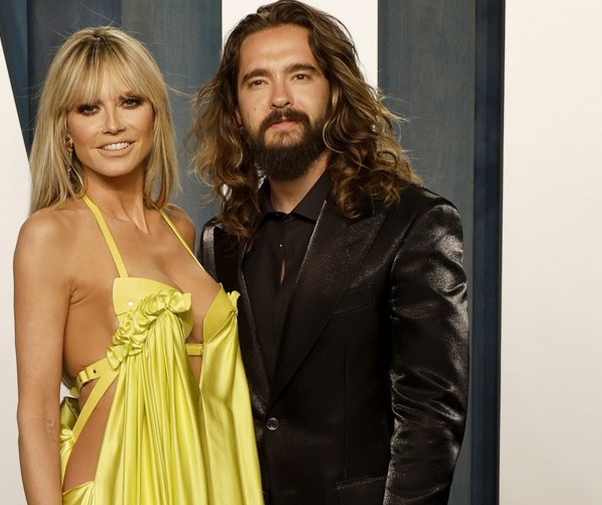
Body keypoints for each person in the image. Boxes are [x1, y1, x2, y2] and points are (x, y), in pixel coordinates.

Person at [192, 1, 469, 504]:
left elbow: (431, 418)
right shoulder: (221, 241)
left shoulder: (414, 222)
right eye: (257, 81)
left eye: (300, 75)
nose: (279, 98)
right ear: (235, 107)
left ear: (335, 91)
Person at [13, 27, 263, 505]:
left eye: (129, 102)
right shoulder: (50, 237)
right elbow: (38, 415)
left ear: (154, 115)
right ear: (66, 130)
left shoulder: (179, 227)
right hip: (113, 489)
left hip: (199, 487)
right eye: (88, 108)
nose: (112, 124)